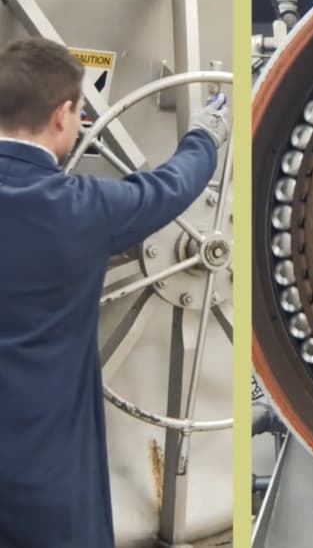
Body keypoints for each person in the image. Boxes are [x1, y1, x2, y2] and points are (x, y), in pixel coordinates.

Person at [0, 37, 229, 548]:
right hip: (46, 475)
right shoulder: (81, 208)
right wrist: (206, 136)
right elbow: (171, 186)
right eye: (81, 112)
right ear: (63, 116)